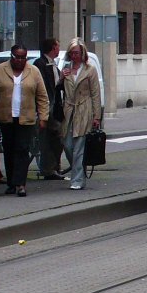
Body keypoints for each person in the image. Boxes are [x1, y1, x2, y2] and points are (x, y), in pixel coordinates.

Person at [0, 44, 49, 197]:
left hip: (26, 117)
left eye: (23, 57)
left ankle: (20, 184)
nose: (20, 60)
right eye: (17, 57)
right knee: (9, 149)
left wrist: (43, 117)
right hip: (6, 117)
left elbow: (42, 97)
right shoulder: (0, 70)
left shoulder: (34, 71)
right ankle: (12, 183)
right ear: (11, 57)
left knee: (22, 149)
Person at [61, 37, 101, 190]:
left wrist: (96, 116)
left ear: (82, 53)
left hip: (84, 109)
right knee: (67, 145)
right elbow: (58, 87)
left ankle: (77, 180)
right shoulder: (66, 68)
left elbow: (95, 93)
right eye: (71, 53)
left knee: (79, 146)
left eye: (76, 53)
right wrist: (61, 77)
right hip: (69, 110)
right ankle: (79, 170)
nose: (74, 56)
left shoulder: (90, 70)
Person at [33, 37, 66, 180]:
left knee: (56, 137)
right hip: (47, 107)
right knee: (52, 137)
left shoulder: (53, 65)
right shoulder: (41, 64)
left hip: (54, 107)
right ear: (53, 48)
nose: (59, 49)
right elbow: (45, 87)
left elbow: (57, 85)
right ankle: (49, 168)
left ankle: (53, 166)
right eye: (57, 47)